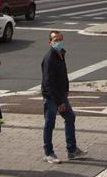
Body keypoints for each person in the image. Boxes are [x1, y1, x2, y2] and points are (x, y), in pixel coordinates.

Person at [41, 31, 86, 164]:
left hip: (61, 95)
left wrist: (65, 91)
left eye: (60, 39)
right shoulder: (49, 58)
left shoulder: (61, 54)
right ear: (50, 42)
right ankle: (48, 153)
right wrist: (59, 101)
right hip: (52, 97)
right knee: (49, 123)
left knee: (70, 117)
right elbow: (49, 83)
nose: (58, 42)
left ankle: (71, 150)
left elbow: (62, 76)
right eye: (55, 40)